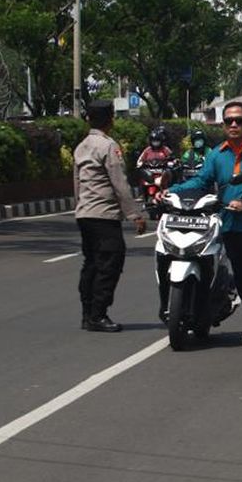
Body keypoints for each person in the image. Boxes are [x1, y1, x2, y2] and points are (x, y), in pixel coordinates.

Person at [171, 100, 242, 347]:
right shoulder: (217, 155)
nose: (233, 125)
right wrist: (171, 190)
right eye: (228, 121)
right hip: (231, 225)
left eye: (238, 120)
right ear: (223, 124)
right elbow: (200, 181)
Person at [73, 100, 147, 332]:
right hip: (104, 214)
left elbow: (76, 183)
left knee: (92, 263)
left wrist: (81, 206)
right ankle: (98, 314)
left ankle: (88, 314)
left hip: (85, 213)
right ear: (111, 119)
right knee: (109, 264)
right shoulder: (108, 146)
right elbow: (120, 184)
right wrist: (135, 214)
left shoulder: (82, 146)